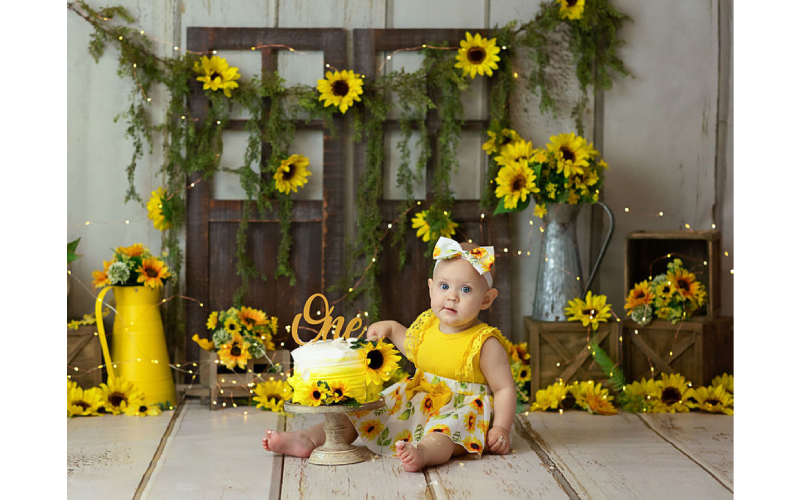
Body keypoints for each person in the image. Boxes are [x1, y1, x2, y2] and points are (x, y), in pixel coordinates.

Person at [262, 236, 516, 472]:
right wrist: (392, 328)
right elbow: (414, 349)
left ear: (486, 299)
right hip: (418, 398)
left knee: (445, 433)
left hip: (461, 410)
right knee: (362, 413)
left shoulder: (485, 342)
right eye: (444, 286)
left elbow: (504, 388)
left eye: (466, 290)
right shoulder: (427, 325)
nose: (452, 297)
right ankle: (310, 438)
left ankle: (424, 452)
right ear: (431, 289)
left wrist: (501, 428)